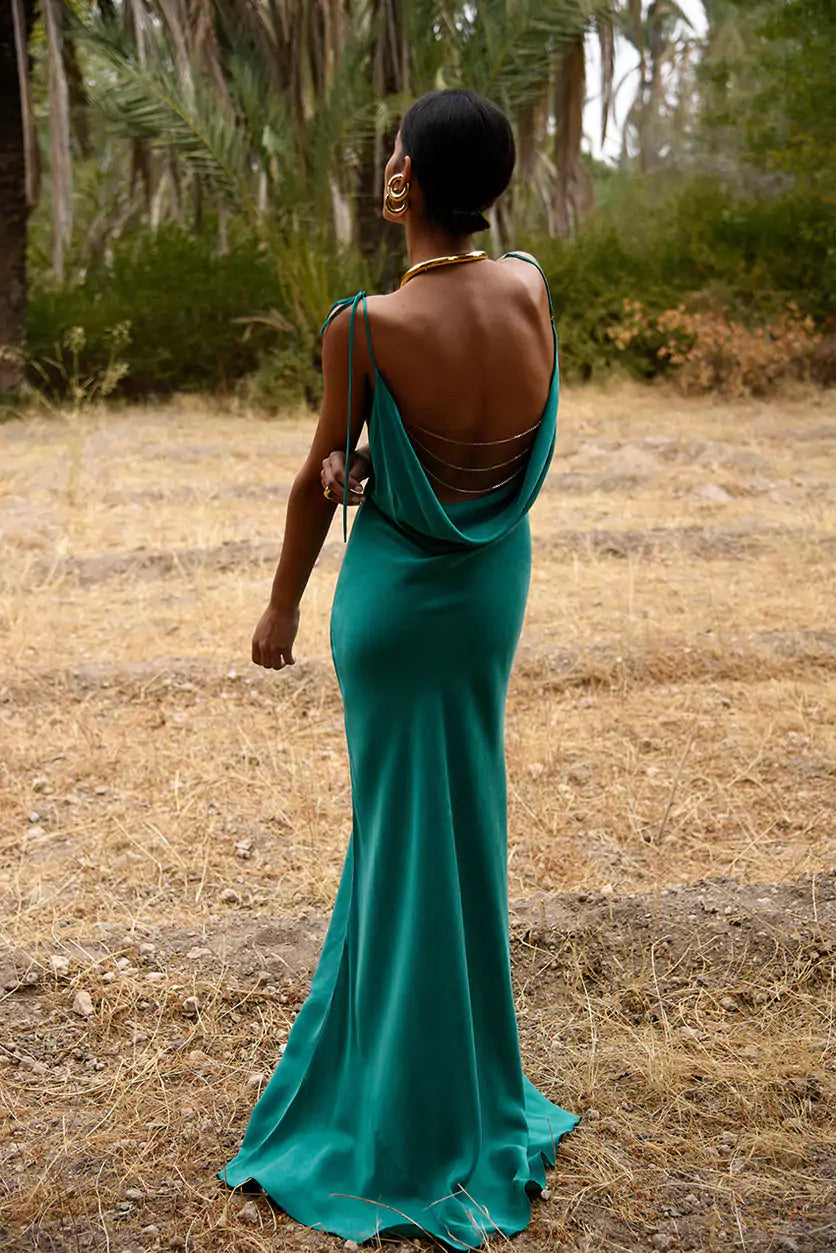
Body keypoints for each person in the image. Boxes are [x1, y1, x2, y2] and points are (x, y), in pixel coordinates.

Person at [217, 88, 578, 1248]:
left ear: (406, 178)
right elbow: (495, 441)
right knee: (456, 830)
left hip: (389, 608)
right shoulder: (526, 285)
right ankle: (458, 1083)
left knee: (397, 833)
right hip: (484, 600)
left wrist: (279, 602)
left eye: (392, 154)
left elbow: (314, 474)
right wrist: (394, 464)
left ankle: (401, 1120)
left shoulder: (365, 325)